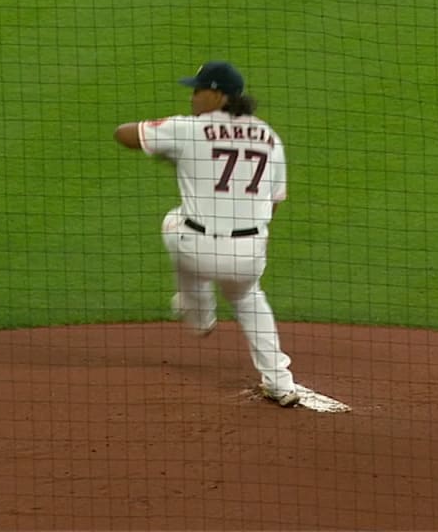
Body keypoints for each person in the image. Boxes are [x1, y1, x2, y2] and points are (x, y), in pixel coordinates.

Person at [112, 61, 300, 407]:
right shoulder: (270, 137)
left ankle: (199, 313)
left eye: (197, 90)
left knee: (173, 222)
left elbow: (123, 134)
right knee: (248, 298)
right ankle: (280, 382)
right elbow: (273, 204)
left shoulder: (188, 129)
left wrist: (173, 153)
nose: (192, 97)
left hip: (197, 247)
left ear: (216, 94)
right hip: (250, 252)